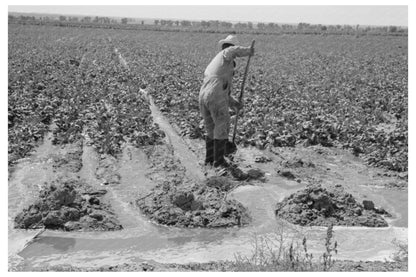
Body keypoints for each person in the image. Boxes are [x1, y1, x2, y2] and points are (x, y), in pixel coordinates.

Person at [199, 35, 254, 169]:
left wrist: (235, 103)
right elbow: (232, 51)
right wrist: (248, 51)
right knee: (222, 125)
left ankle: (209, 160)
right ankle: (219, 162)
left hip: (204, 96)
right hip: (214, 95)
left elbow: (224, 94)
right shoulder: (225, 53)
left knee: (211, 129)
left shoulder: (217, 66)